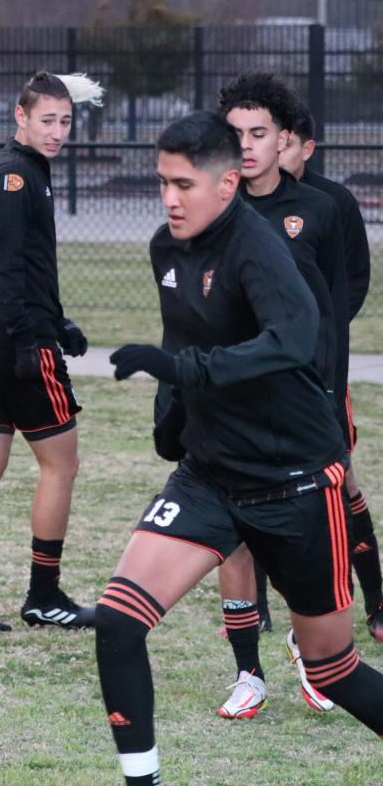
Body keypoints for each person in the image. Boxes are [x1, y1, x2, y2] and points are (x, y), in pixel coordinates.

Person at [97, 110, 383, 786]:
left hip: (296, 486)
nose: (170, 198)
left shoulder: (259, 249)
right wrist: (171, 418)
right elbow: (181, 343)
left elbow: (291, 337)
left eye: (184, 184)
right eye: (161, 182)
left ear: (227, 185)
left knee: (332, 669)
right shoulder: (167, 249)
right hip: (211, 478)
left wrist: (185, 375)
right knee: (117, 621)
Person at [0, 72, 104, 632]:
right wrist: (34, 339)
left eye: (65, 121)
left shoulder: (22, 168)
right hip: (9, 343)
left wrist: (59, 322)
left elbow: (23, 265)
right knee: (62, 465)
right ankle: (44, 596)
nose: (57, 131)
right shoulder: (16, 176)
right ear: (21, 117)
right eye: (47, 120)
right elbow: (3, 268)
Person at [210, 72, 352, 717]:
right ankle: (248, 674)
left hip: (304, 406)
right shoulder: (210, 207)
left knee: (301, 535)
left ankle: (313, 650)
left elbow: (338, 309)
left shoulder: (321, 209)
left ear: (284, 139)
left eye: (258, 133)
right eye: (234, 133)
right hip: (233, 407)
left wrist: (326, 395)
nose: (244, 144)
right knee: (234, 536)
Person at [279, 99, 383, 647]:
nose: (273, 149)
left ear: (305, 147)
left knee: (340, 485)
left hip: (320, 375)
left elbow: (352, 284)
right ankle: (256, 609)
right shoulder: (243, 199)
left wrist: (320, 341)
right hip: (267, 378)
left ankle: (375, 598)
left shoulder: (332, 202)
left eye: (285, 141)